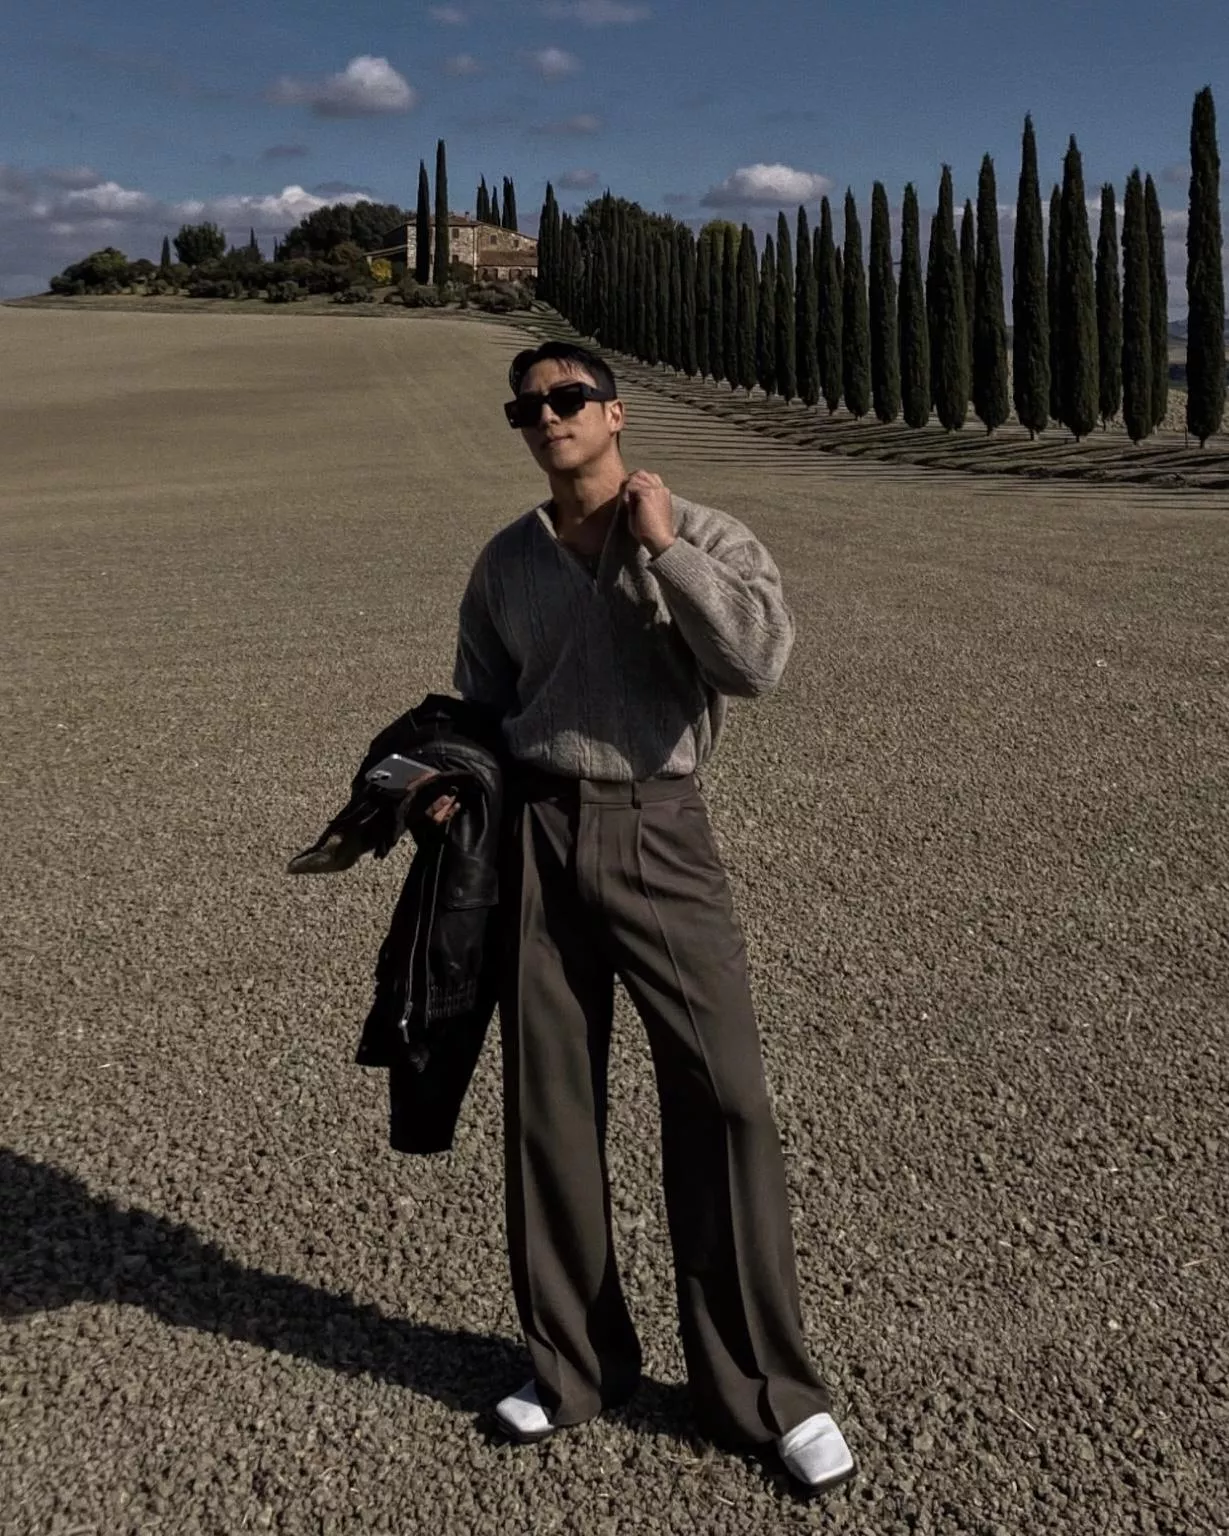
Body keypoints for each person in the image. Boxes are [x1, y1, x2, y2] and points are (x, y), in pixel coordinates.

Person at [430, 339, 855, 1494]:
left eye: (568, 398)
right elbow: (480, 702)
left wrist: (666, 552)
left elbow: (756, 663)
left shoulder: (702, 531)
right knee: (550, 1110)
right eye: (527, 407)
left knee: (726, 1099)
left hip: (661, 826)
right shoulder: (505, 561)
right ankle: (574, 1368)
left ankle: (764, 1392)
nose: (547, 417)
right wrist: (443, 783)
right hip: (536, 834)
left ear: (613, 413)